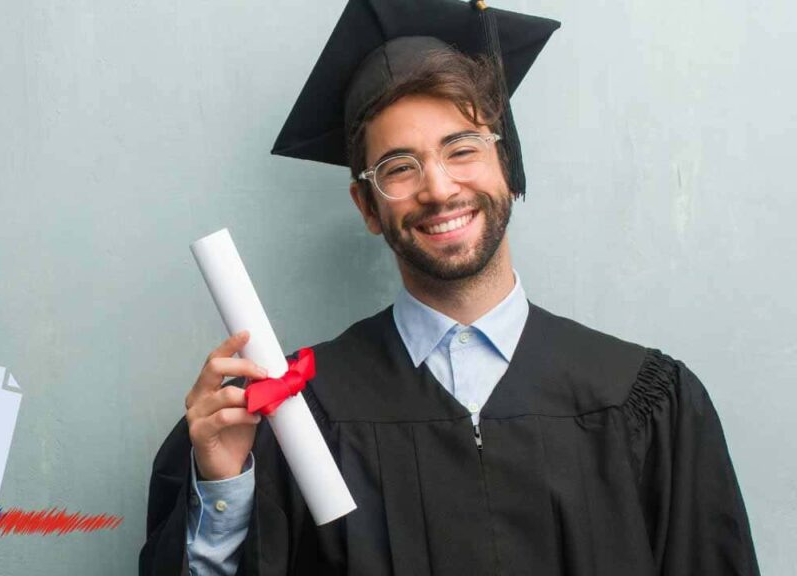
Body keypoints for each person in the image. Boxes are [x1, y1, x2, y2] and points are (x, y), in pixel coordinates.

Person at [140, 1, 760, 574]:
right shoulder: (298, 417)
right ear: (366, 205)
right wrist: (223, 490)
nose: (438, 189)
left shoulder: (644, 401)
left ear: (506, 165)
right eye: (399, 168)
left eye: (461, 149)